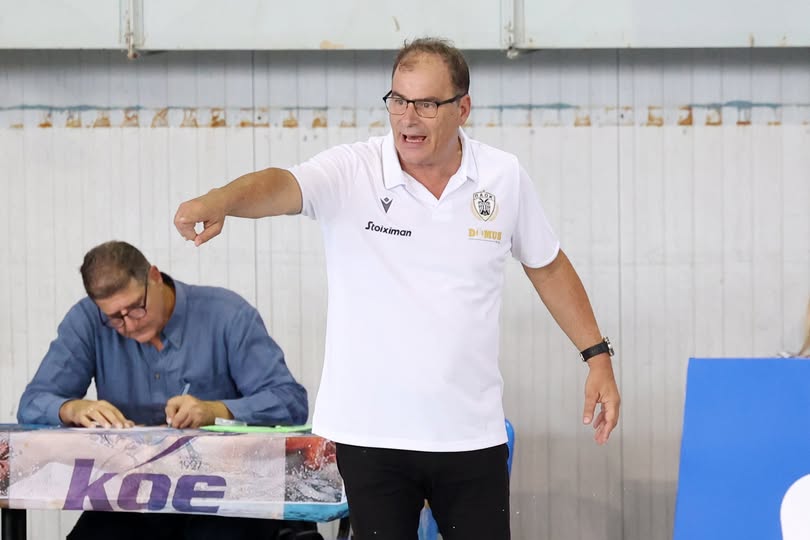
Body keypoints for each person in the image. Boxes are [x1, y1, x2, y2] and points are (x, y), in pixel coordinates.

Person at [173, 37, 621, 540]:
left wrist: (597, 357)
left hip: (468, 432)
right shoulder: (353, 171)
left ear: (462, 109)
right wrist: (221, 200)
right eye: (398, 101)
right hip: (371, 435)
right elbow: (282, 184)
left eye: (427, 104)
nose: (408, 118)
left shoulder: (502, 176)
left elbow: (548, 266)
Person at [17, 240, 316, 540]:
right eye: (115, 318)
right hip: (131, 494)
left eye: (137, 307)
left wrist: (217, 411)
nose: (129, 325)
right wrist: (71, 408)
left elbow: (290, 401)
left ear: (155, 277)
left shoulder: (227, 314)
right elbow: (33, 402)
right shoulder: (87, 321)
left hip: (228, 492)